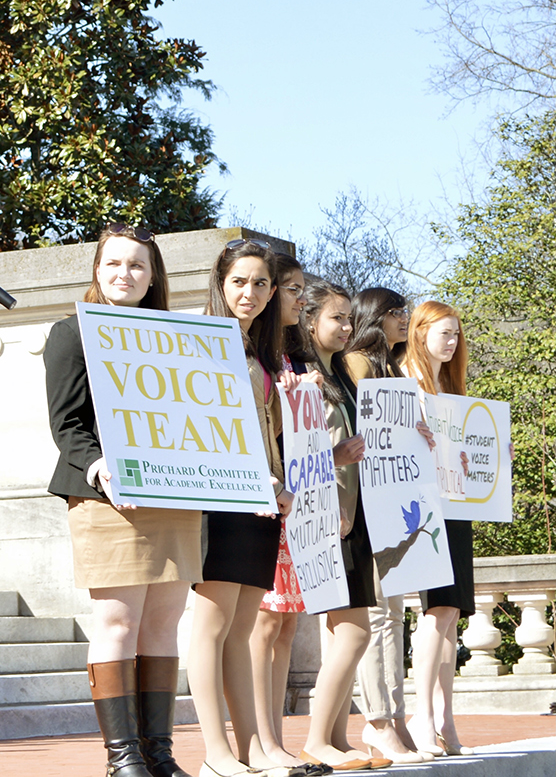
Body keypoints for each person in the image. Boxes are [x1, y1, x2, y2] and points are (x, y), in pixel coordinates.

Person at [45, 222, 197, 777]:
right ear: (97, 269)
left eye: (136, 265)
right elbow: (67, 424)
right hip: (108, 498)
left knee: (163, 624)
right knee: (117, 623)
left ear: (153, 275)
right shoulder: (71, 333)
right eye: (113, 263)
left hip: (174, 494)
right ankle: (123, 758)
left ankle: (159, 754)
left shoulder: (179, 340)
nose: (124, 274)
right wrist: (100, 465)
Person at [188, 239, 290, 777]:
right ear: (220, 282)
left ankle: (251, 747)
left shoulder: (257, 349)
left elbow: (263, 429)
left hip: (262, 501)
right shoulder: (199, 341)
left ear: (271, 291)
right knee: (212, 623)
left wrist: (278, 482)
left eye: (259, 283)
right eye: (238, 282)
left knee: (242, 627)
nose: (248, 292)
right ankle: (215, 751)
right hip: (218, 496)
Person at [293, 280, 380, 770]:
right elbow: (296, 456)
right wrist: (335, 457)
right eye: (337, 318)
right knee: (353, 631)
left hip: (354, 513)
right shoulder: (302, 377)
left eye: (350, 318)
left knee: (351, 630)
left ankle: (338, 737)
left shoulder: (342, 373)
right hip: (325, 517)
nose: (348, 327)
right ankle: (315, 739)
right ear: (310, 320)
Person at [342, 288, 426, 763]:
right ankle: (378, 720)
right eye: (395, 312)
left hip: (392, 503)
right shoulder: (356, 363)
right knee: (377, 616)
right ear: (374, 316)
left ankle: (394, 716)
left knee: (393, 615)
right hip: (366, 505)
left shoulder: (392, 369)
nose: (403, 319)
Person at [246, 255, 318, 774]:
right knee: (264, 625)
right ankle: (261, 739)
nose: (296, 299)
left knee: (286, 626)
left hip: (294, 501)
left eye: (295, 289)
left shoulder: (291, 357)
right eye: (289, 288)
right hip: (259, 498)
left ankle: (276, 738)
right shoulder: (253, 354)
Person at [405, 301, 474, 758]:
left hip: (456, 503)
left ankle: (444, 715)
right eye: (443, 333)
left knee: (450, 615)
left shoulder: (449, 385)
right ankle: (421, 713)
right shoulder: (406, 381)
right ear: (421, 331)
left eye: (456, 335)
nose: (450, 342)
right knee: (438, 611)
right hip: (423, 508)